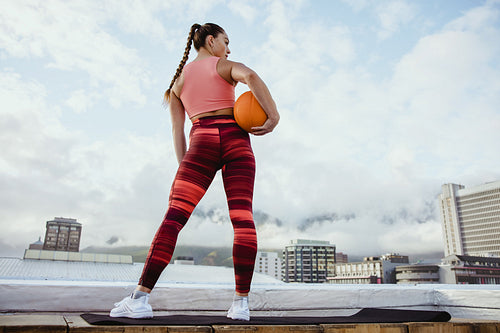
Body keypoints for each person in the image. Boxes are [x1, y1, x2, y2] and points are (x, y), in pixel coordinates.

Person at [110, 23, 279, 321]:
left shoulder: (177, 83)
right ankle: (240, 305)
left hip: (201, 143)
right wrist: (273, 116)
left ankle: (139, 299)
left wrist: (185, 170)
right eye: (226, 41)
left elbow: (178, 130)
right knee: (242, 218)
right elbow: (251, 76)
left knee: (174, 217)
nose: (229, 49)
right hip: (236, 139)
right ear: (211, 41)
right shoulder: (223, 65)